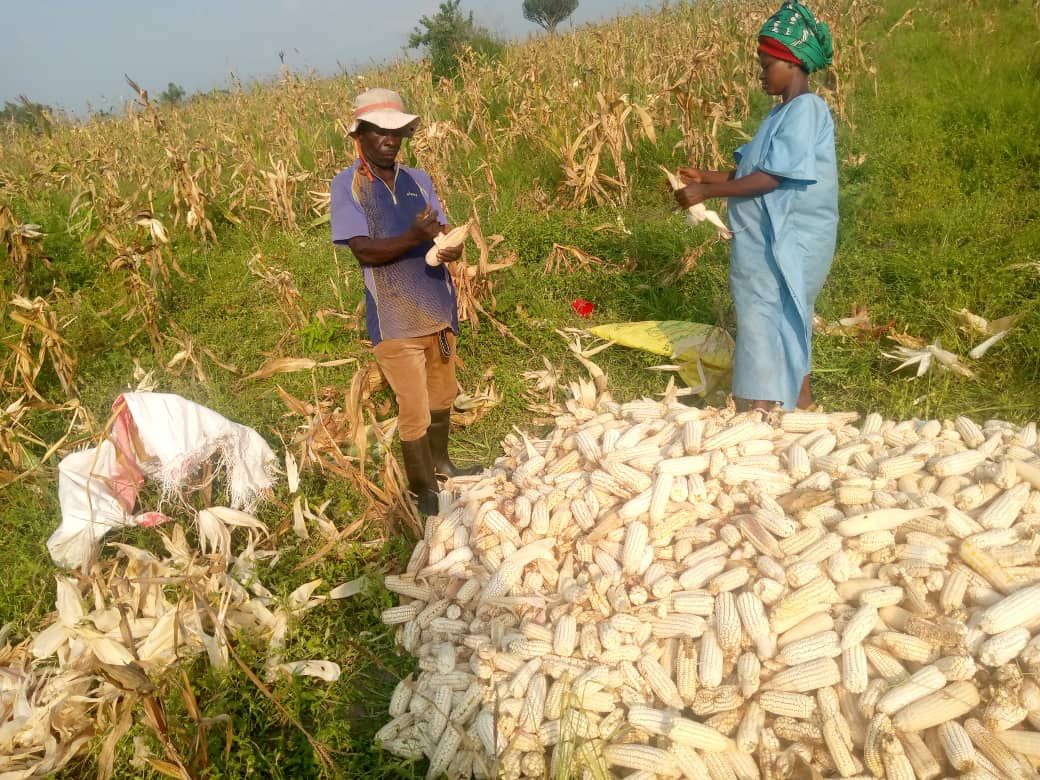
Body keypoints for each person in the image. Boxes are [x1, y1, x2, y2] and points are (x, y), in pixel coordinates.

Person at [675, 1, 838, 411]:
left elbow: (772, 178)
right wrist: (704, 177)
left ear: (793, 62)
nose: (761, 74)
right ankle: (796, 410)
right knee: (772, 318)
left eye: (767, 65)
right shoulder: (779, 115)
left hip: (790, 239)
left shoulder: (806, 109)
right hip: (764, 241)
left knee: (773, 318)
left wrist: (708, 195)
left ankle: (762, 409)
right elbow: (752, 172)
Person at [330, 88, 480, 516]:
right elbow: (363, 251)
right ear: (360, 135)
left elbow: (442, 234)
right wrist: (413, 238)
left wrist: (450, 248)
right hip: (394, 318)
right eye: (380, 131)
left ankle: (444, 464)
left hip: (436, 308)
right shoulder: (348, 186)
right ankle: (423, 490)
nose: (391, 140)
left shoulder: (419, 180)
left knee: (442, 396)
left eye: (397, 131)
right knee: (413, 407)